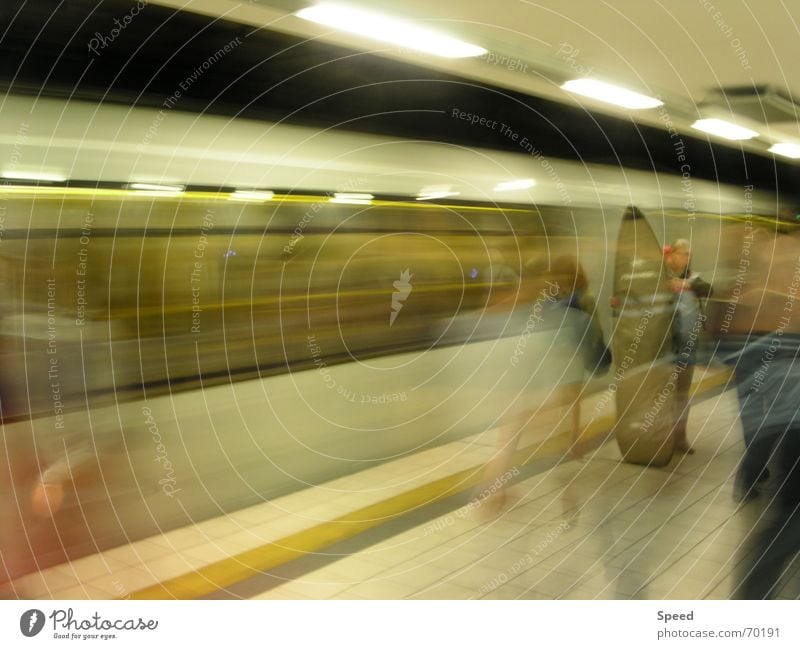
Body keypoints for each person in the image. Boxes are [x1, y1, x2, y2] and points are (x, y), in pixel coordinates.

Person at [547, 254, 611, 457]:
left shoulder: (566, 296)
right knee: (568, 394)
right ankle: (569, 436)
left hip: (569, 351)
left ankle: (570, 437)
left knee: (568, 393)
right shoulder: (577, 295)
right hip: (567, 351)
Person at [664, 239, 713, 454]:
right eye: (682, 253)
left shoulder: (693, 279)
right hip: (662, 346)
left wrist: (685, 285)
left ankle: (680, 438)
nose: (686, 258)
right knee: (662, 394)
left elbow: (709, 289)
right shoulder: (660, 277)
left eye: (688, 255)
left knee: (681, 394)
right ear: (671, 255)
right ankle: (660, 438)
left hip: (686, 346)